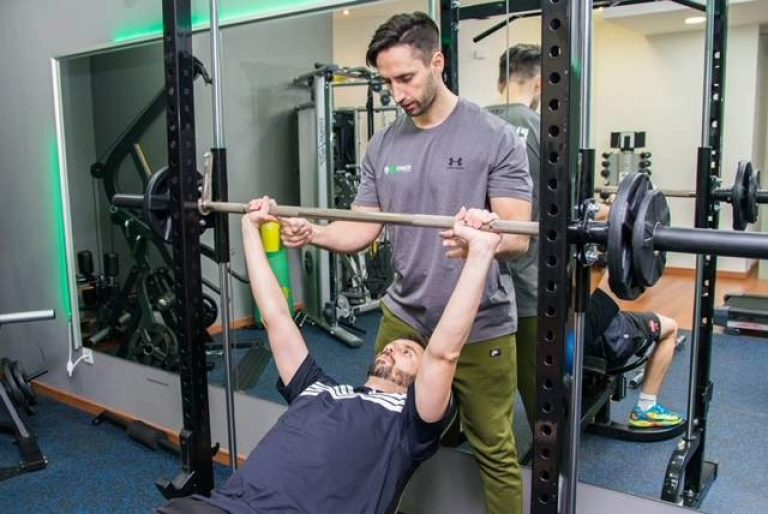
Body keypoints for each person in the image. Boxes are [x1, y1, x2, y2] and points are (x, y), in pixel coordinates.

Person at [280, 12, 532, 514]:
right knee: (386, 431)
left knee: (495, 449)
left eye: (405, 78)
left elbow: (517, 233)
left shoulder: (495, 136)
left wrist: (484, 242)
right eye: (387, 81)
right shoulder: (384, 145)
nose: (396, 93)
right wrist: (316, 234)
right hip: (405, 319)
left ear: (437, 62)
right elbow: (363, 227)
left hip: (480, 323)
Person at [156, 199, 502, 514]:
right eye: (391, 346)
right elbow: (276, 316)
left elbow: (443, 354)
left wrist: (481, 253)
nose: (394, 347)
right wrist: (250, 228)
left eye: (409, 351)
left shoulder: (408, 424)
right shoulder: (316, 387)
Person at [486, 44, 542, 434]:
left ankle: (453, 441)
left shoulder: (471, 122)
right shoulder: (543, 128)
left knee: (473, 374)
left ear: (501, 79)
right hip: (528, 278)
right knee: (538, 381)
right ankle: (548, 457)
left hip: (474, 278)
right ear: (540, 83)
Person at [585, 271, 684, 428]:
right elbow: (618, 276)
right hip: (606, 340)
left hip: (569, 335)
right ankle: (646, 408)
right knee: (670, 327)